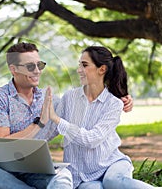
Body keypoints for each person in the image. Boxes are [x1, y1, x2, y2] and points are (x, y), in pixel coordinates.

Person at [0, 42, 133, 189]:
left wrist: (122, 98)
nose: (37, 71)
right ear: (13, 69)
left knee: (64, 176)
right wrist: (38, 124)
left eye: (39, 65)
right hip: (3, 170)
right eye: (30, 66)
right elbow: (2, 145)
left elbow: (86, 107)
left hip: (36, 170)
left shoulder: (51, 102)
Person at [42, 46, 157, 189]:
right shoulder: (69, 98)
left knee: (112, 181)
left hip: (112, 164)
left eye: (84, 65)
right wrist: (22, 146)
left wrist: (57, 119)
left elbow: (92, 139)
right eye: (79, 65)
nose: (79, 70)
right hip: (82, 176)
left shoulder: (114, 104)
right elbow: (49, 131)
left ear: (101, 69)